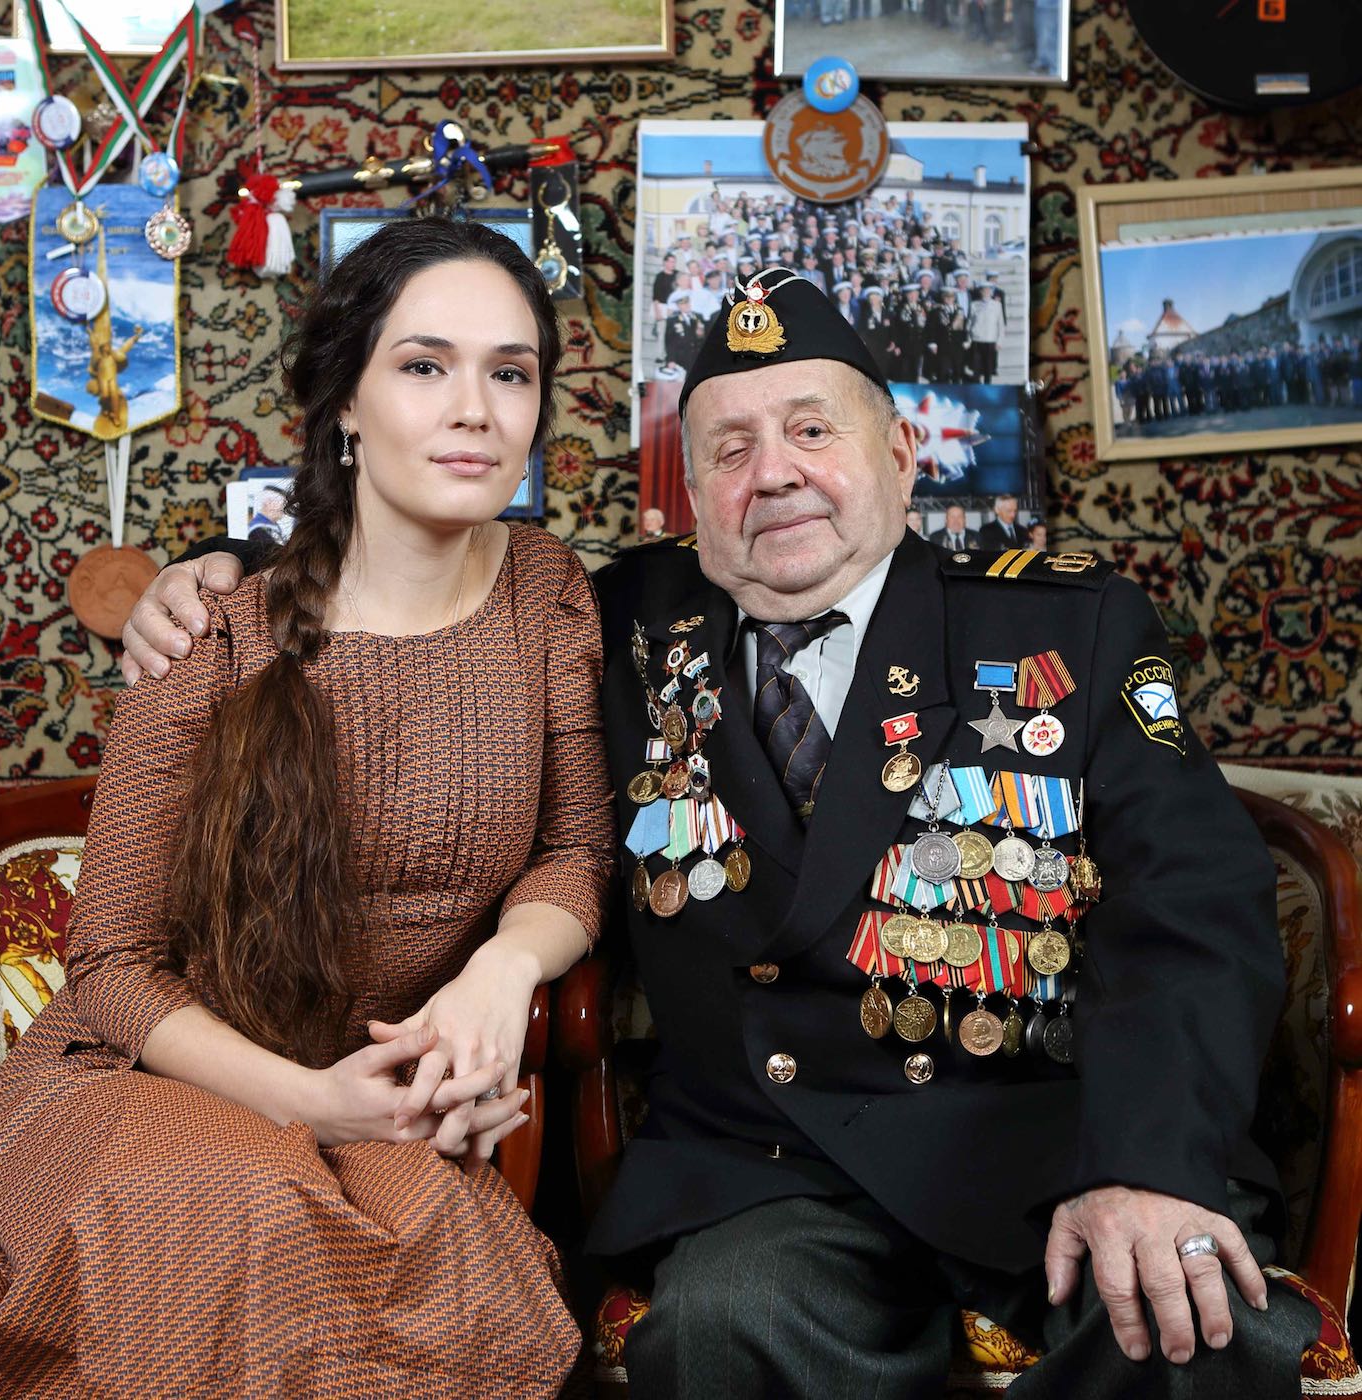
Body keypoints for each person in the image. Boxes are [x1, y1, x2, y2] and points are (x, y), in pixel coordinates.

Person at [123, 270, 1320, 1398]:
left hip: (1052, 1135)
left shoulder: (1068, 626)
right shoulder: (611, 622)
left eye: (810, 429)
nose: (774, 473)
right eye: (730, 448)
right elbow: (399, 569)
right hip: (771, 1165)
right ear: (689, 494)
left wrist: (1145, 1161)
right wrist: (220, 572)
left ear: (900, 454)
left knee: (1197, 1324)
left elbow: (1189, 907)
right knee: (723, 1321)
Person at [0, 217, 616, 1394]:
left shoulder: (547, 594)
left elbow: (575, 850)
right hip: (150, 1085)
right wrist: (313, 1101)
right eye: (424, 365)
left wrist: (501, 968)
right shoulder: (210, 631)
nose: (475, 408)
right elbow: (108, 963)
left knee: (435, 1276)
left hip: (373, 1099)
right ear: (344, 404)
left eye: (510, 372)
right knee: (238, 1215)